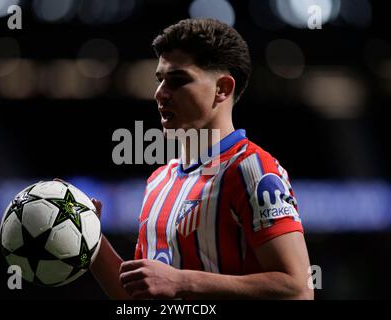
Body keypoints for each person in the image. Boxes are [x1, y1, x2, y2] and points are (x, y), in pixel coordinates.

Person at [89, 18, 313, 300]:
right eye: (160, 80)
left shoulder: (253, 169)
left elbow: (298, 289)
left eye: (178, 80)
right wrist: (90, 241)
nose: (160, 93)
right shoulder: (159, 181)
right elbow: (139, 299)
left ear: (222, 89)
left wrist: (184, 281)